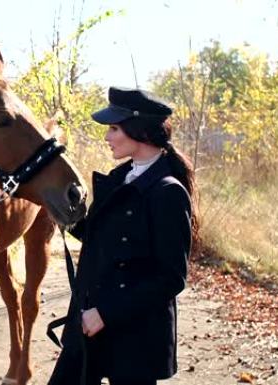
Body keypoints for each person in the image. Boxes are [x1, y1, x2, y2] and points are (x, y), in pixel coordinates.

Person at [48, 87, 198, 385]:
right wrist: (65, 215)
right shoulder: (119, 178)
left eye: (114, 128)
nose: (107, 137)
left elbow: (171, 277)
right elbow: (105, 240)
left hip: (135, 335)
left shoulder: (168, 192)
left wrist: (106, 313)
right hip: (90, 321)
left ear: (138, 130)